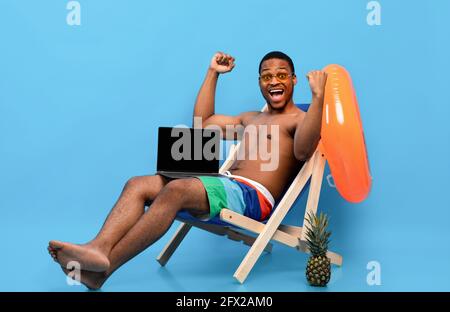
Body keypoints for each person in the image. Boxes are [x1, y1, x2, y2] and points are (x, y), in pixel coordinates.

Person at [48, 51, 328, 289]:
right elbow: (203, 123)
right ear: (259, 83)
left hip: (251, 197)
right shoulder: (250, 118)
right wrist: (213, 73)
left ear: (293, 80)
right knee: (139, 184)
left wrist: (317, 98)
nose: (274, 81)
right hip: (223, 184)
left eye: (282, 75)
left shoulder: (299, 120)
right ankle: (98, 247)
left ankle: (104, 270)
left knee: (176, 190)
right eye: (267, 76)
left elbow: (304, 151)